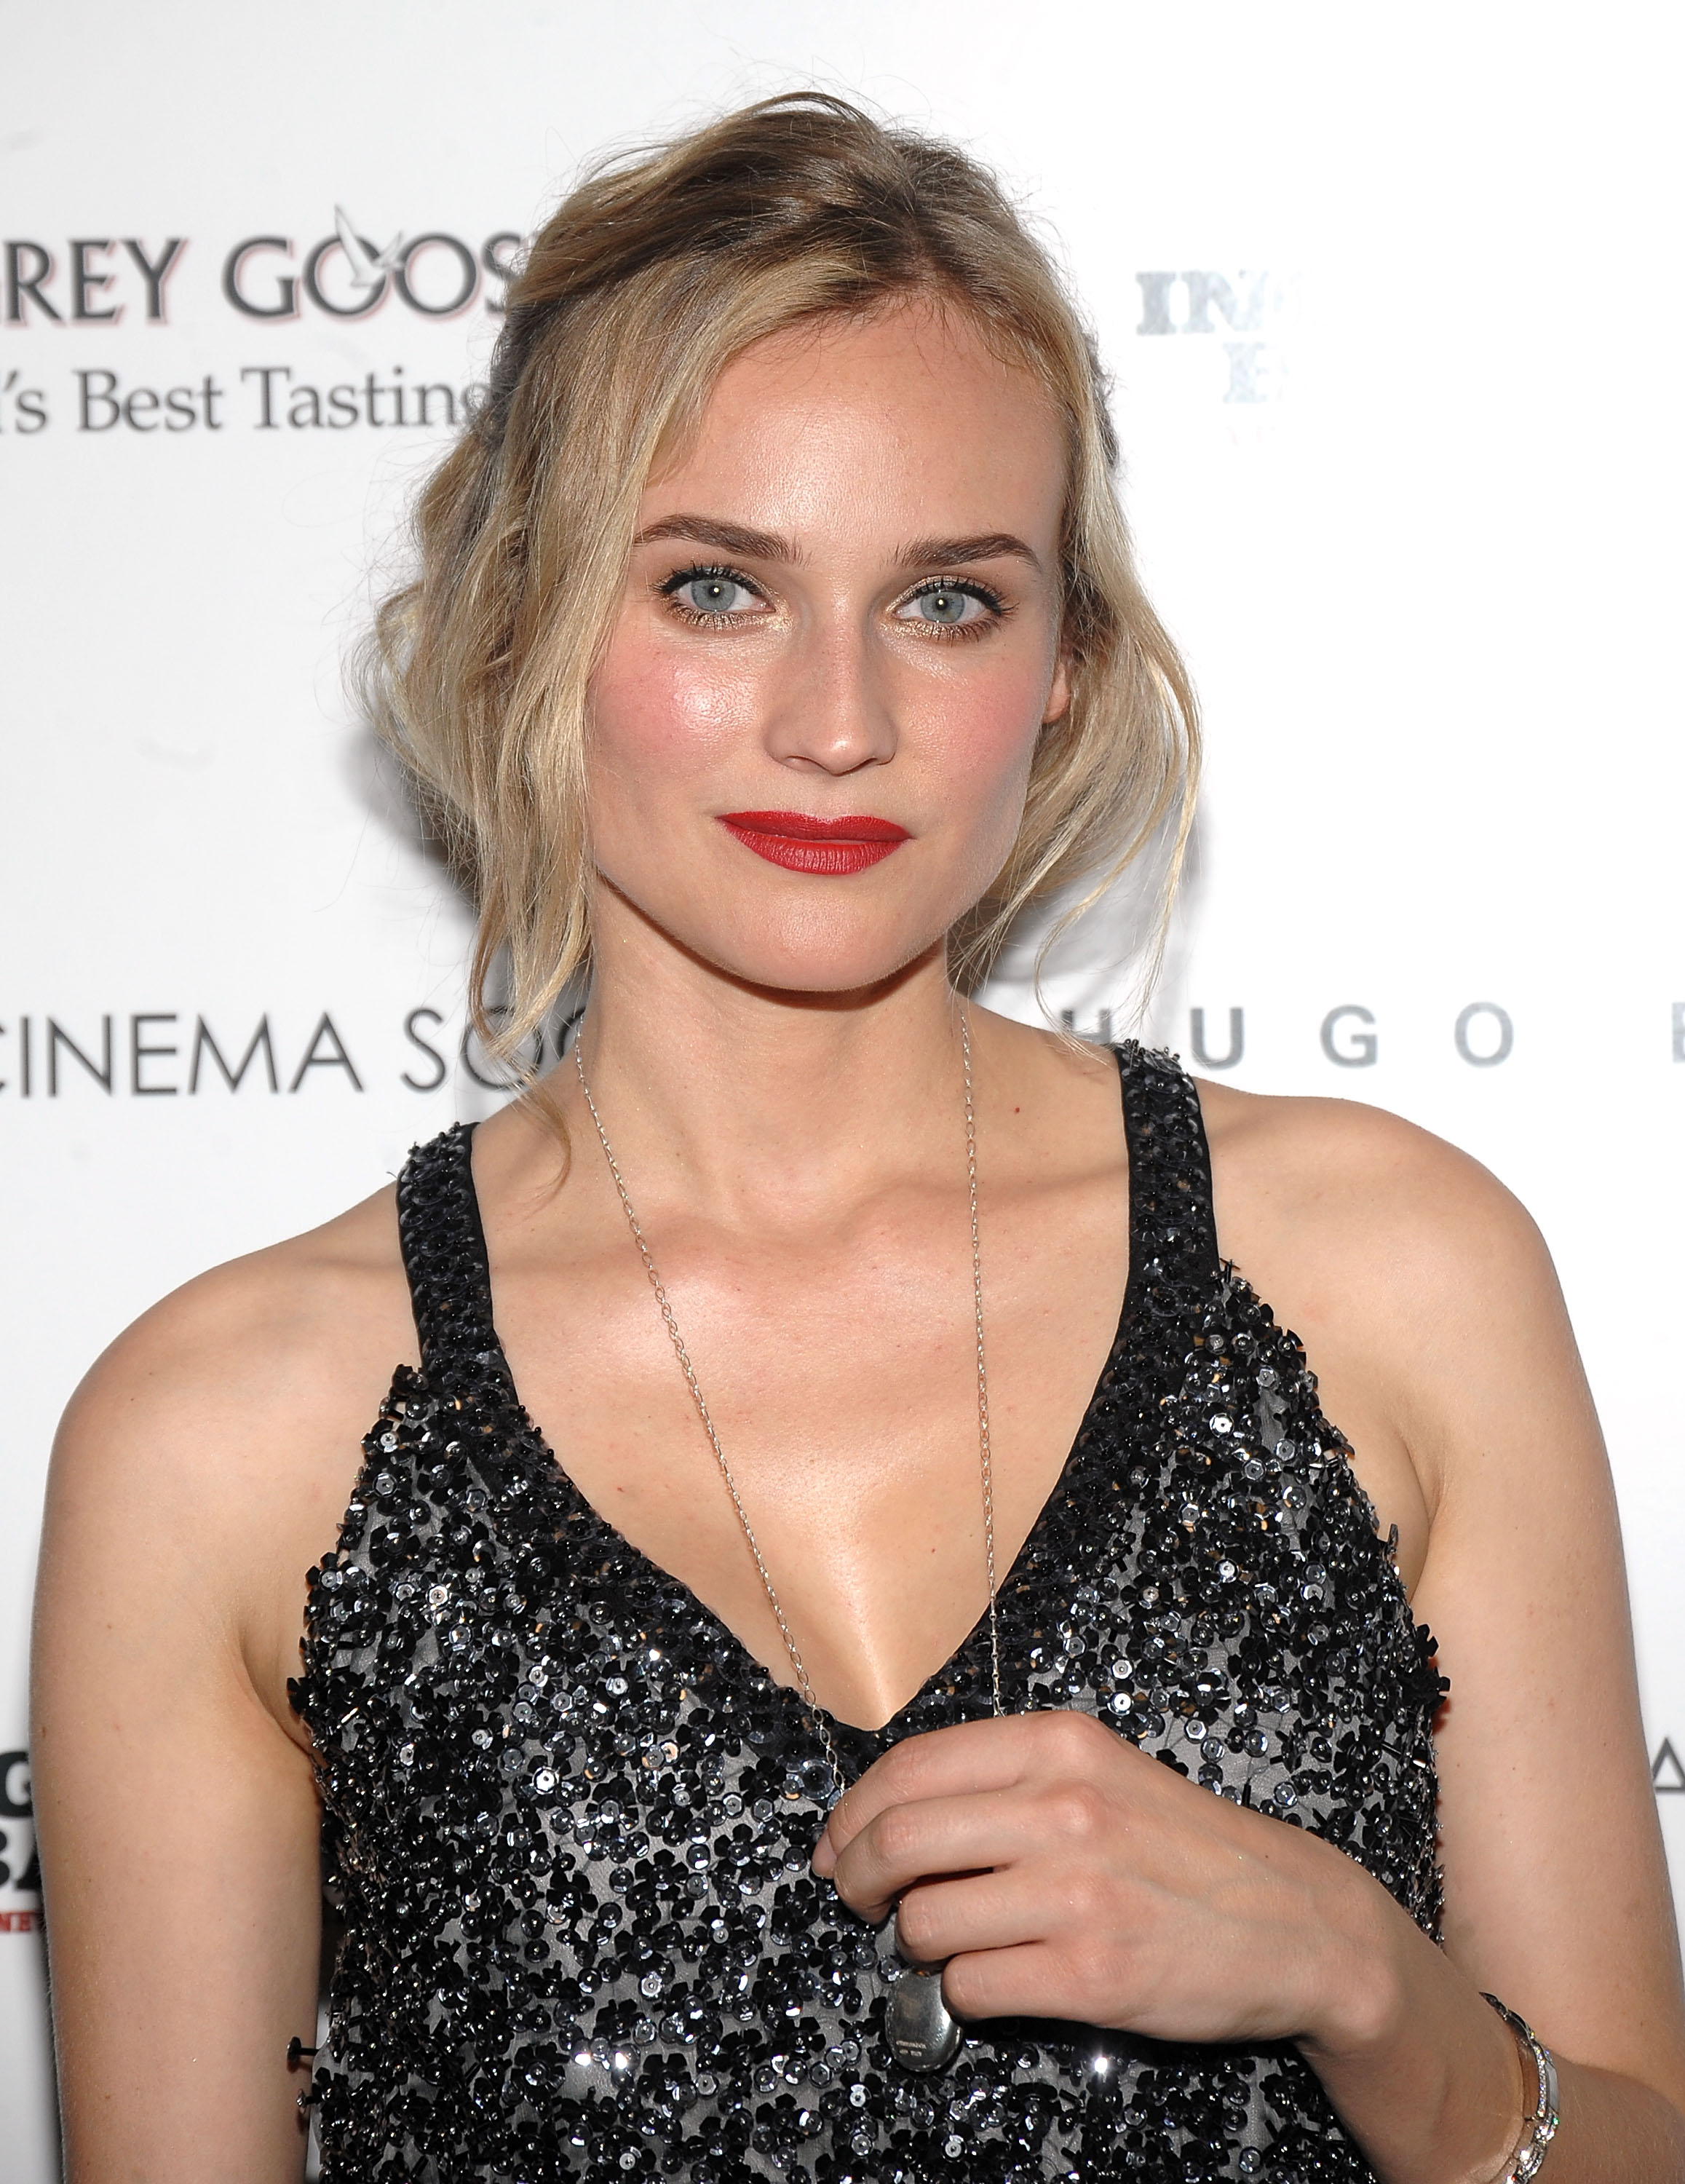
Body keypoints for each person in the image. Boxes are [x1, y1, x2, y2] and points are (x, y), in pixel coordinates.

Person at [30, 92, 1685, 2184]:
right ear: (526, 618)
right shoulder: (213, 1437)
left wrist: (1372, 1986)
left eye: (946, 602)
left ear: (1066, 663)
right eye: (719, 588)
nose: (838, 724)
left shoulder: (1397, 1272)